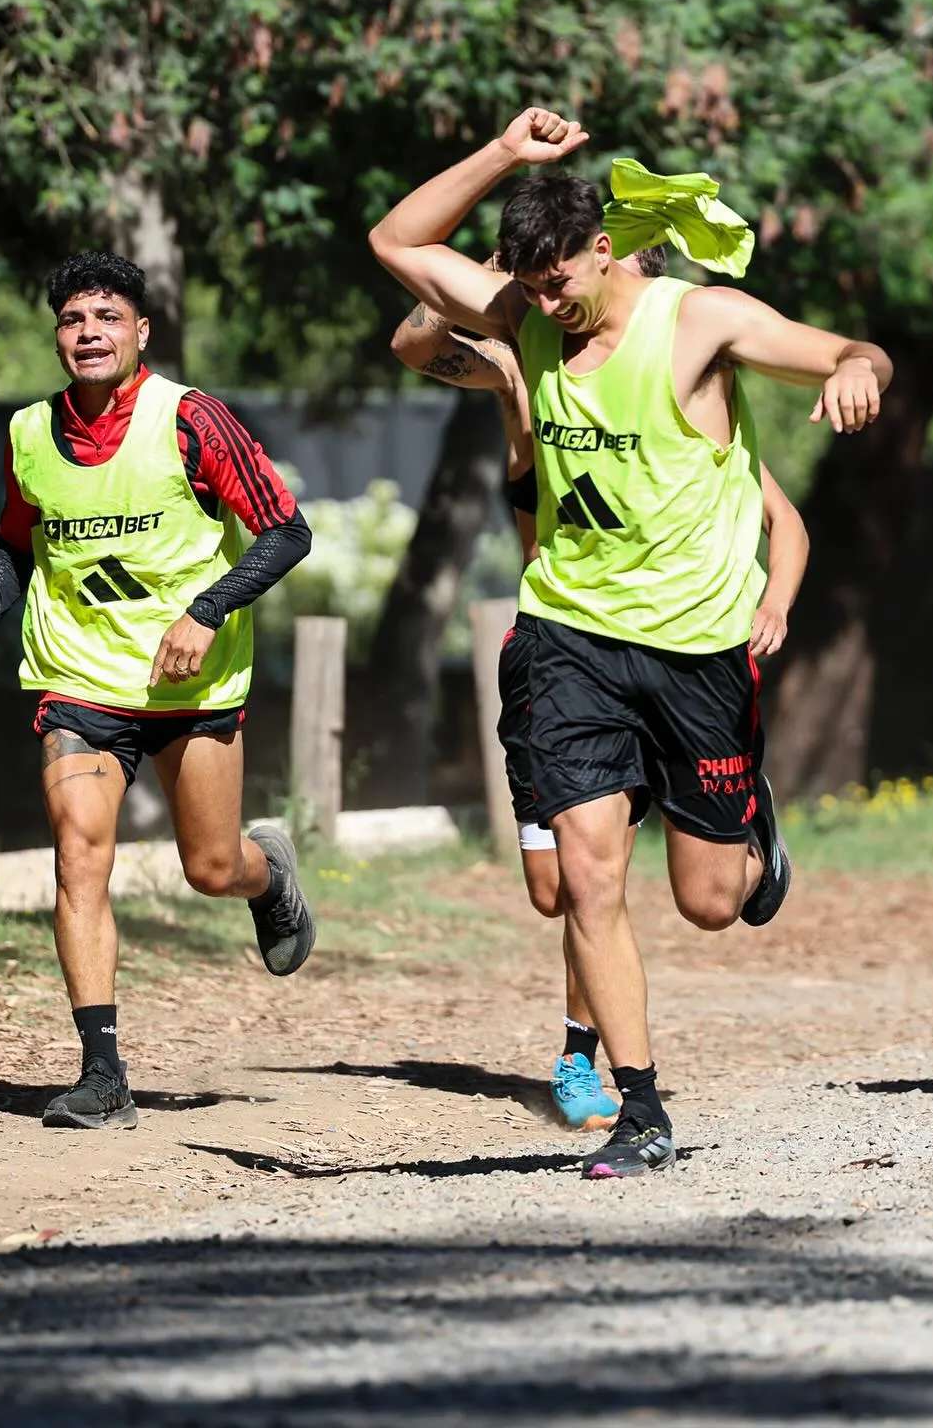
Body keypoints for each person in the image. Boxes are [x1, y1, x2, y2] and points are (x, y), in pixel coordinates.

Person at [370, 106, 891, 1178]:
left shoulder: (699, 323)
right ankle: (638, 1106)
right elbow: (396, 245)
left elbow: (848, 347)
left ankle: (753, 832)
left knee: (708, 903)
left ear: (602, 250)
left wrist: (856, 370)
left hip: (697, 652)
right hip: (570, 633)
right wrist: (507, 156)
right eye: (531, 286)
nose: (548, 303)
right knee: (589, 880)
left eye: (561, 281)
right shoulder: (523, 313)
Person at [391, 249, 810, 1132]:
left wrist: (772, 597)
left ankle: (586, 1052)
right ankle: (601, 1062)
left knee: (687, 898)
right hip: (558, 644)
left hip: (671, 650)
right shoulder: (523, 359)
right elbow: (415, 338)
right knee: (561, 888)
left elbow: (782, 518)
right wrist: (494, 273)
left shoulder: (678, 400)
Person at [0, 251, 318, 1131]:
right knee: (78, 855)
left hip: (191, 683)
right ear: (58, 337)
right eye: (73, 320)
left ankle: (270, 879)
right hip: (79, 681)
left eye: (107, 317)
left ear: (140, 331)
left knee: (210, 866)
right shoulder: (31, 433)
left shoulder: (191, 419)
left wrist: (206, 610)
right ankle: (103, 1074)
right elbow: (17, 548)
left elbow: (286, 530)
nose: (88, 334)